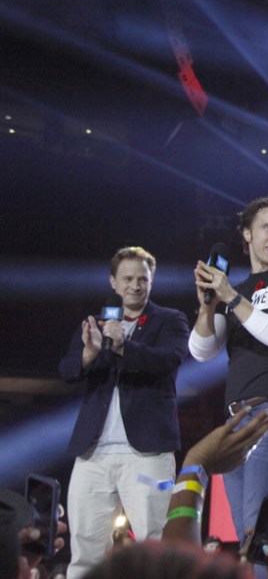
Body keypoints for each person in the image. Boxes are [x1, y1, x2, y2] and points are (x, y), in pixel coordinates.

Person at [188, 196, 268, 555]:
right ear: (247, 233)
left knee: (259, 529)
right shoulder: (237, 292)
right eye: (267, 227)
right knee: (246, 533)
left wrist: (229, 296)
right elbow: (202, 350)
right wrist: (208, 305)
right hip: (236, 420)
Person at [58, 246, 190, 579]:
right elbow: (67, 369)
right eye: (127, 278)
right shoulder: (96, 324)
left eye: (142, 279)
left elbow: (169, 360)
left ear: (152, 280)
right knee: (85, 553)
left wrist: (122, 346)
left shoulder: (170, 320)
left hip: (148, 453)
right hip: (93, 455)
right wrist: (89, 354)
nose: (135, 285)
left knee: (156, 547)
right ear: (113, 282)